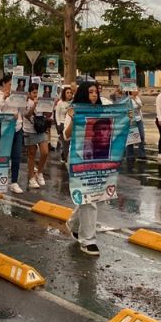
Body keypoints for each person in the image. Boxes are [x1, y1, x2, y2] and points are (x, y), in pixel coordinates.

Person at [63, 82, 109, 256]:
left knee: (89, 197)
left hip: (98, 157)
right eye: (90, 92)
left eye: (96, 92)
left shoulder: (103, 108)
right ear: (83, 93)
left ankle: (73, 224)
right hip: (78, 158)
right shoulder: (74, 109)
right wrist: (74, 119)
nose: (94, 95)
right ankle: (87, 240)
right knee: (89, 199)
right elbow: (66, 136)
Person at [0, 75, 24, 194]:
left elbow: (24, 110)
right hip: (4, 129)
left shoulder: (17, 95)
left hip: (17, 127)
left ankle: (14, 182)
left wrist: (24, 100)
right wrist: (4, 98)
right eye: (11, 84)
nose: (13, 86)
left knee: (16, 156)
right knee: (3, 156)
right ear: (4, 84)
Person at [23, 83, 49, 189]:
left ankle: (39, 172)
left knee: (45, 152)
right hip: (29, 130)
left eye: (37, 92)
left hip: (40, 130)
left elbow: (47, 115)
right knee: (31, 155)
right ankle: (31, 178)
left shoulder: (42, 101)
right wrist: (34, 105)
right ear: (29, 93)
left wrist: (50, 106)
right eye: (34, 92)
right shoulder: (26, 102)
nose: (36, 94)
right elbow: (27, 115)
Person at [55, 87, 73, 163]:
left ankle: (65, 155)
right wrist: (59, 124)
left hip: (70, 124)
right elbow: (57, 114)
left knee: (69, 143)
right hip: (62, 124)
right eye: (67, 92)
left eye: (70, 93)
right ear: (64, 94)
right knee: (65, 142)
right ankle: (66, 157)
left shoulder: (72, 103)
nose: (69, 94)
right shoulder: (60, 103)